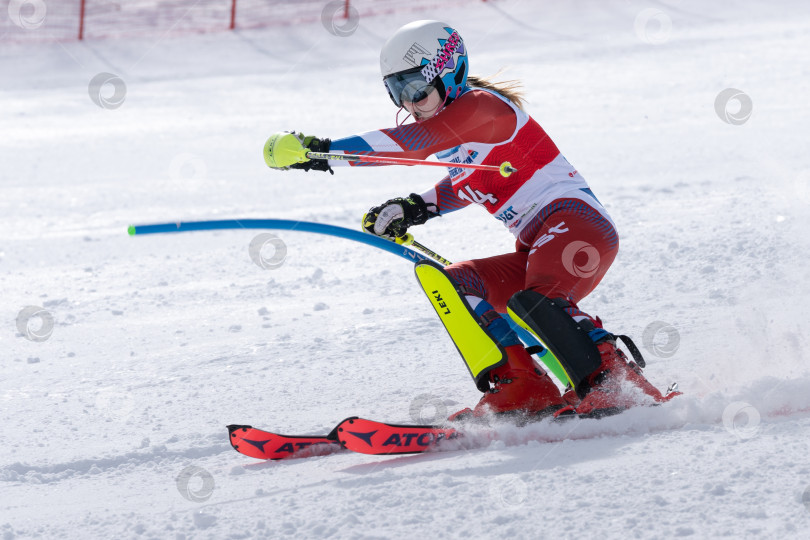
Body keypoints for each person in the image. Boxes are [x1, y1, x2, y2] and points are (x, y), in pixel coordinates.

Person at [265, 20, 677, 419]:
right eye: (397, 92)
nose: (409, 104)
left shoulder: (482, 107)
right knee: (457, 284)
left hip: (578, 228)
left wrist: (322, 151)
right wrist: (415, 207)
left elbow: (410, 144)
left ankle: (614, 383)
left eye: (417, 89)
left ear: (452, 72)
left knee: (539, 298)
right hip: (540, 245)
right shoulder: (458, 133)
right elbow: (466, 181)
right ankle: (522, 385)